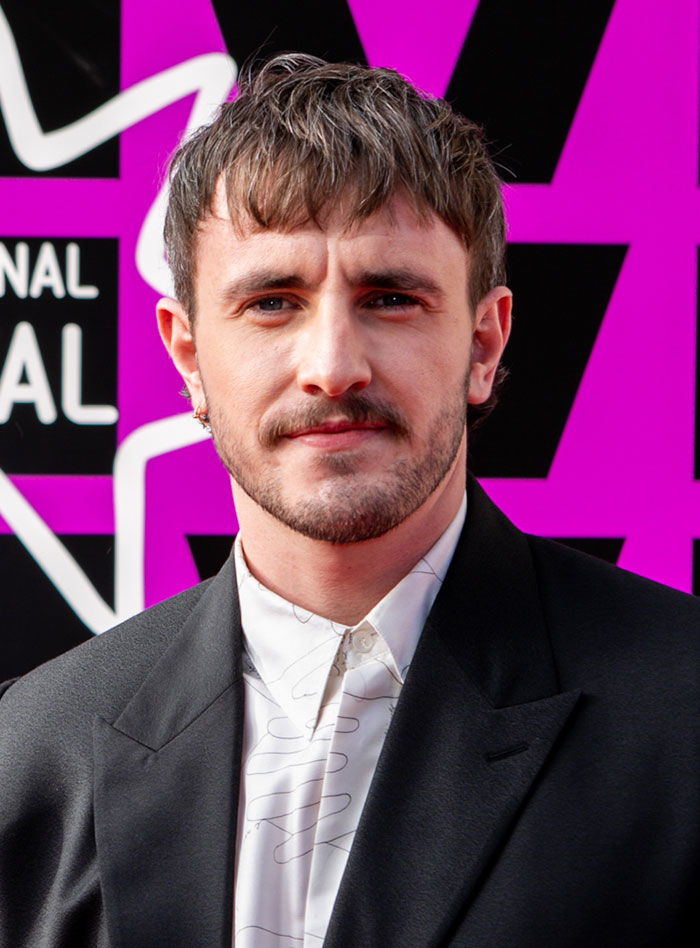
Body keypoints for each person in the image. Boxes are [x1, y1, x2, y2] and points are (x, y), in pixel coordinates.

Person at [1, 53, 698, 948]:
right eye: (272, 302)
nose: (333, 367)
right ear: (186, 358)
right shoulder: (33, 754)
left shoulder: (683, 713)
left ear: (483, 344)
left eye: (393, 298)